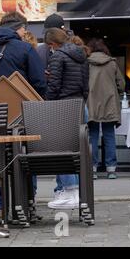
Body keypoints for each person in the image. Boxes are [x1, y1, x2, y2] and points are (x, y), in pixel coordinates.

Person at [0, 12, 46, 209]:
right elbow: (40, 82)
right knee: (24, 154)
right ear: (18, 27)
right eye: (25, 28)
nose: (26, 32)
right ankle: (26, 202)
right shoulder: (24, 48)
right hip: (21, 113)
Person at [45, 27, 89, 209]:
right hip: (80, 104)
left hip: (63, 106)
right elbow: (86, 83)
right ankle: (79, 192)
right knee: (79, 151)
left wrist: (49, 100)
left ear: (53, 43)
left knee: (61, 150)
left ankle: (70, 191)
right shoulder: (82, 55)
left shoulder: (58, 56)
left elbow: (55, 85)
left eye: (49, 46)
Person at [86, 38, 125, 180]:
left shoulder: (87, 63)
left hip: (92, 103)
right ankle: (111, 169)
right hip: (109, 103)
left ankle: (93, 169)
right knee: (109, 136)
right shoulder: (112, 63)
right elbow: (121, 84)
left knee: (92, 136)